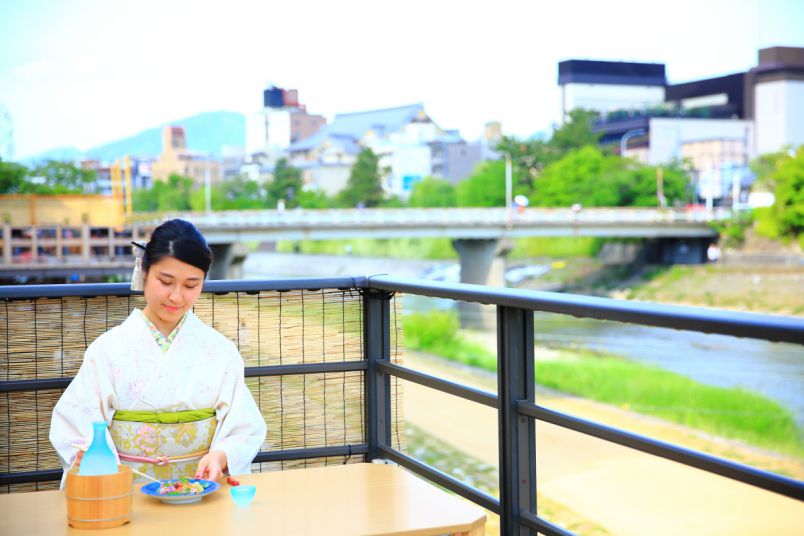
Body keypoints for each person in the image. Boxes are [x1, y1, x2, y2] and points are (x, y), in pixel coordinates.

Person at [49, 219, 266, 486]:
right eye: (166, 281)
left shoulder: (220, 351)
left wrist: (221, 455)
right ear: (145, 271)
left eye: (191, 285)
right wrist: (95, 459)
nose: (176, 296)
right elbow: (75, 424)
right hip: (127, 489)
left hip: (200, 489)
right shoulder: (108, 349)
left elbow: (245, 426)